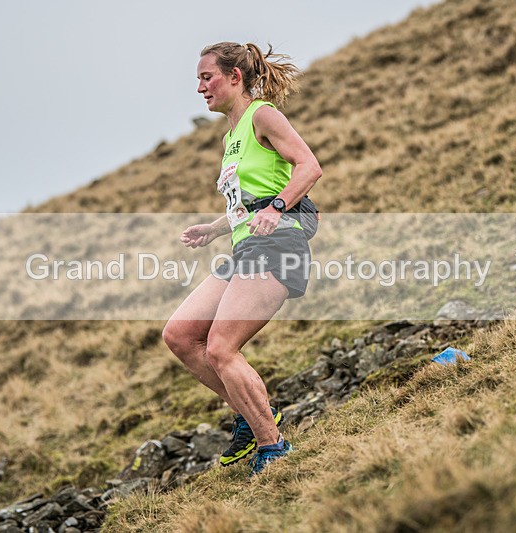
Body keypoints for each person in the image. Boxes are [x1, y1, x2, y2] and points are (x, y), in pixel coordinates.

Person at [161, 42, 322, 477]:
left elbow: (309, 167)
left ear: (235, 77)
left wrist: (278, 207)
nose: (199, 88)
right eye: (197, 79)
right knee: (179, 335)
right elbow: (249, 200)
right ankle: (253, 415)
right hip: (245, 247)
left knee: (220, 347)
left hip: (278, 247)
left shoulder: (262, 115)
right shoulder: (232, 136)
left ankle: (273, 447)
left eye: (206, 77)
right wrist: (214, 228)